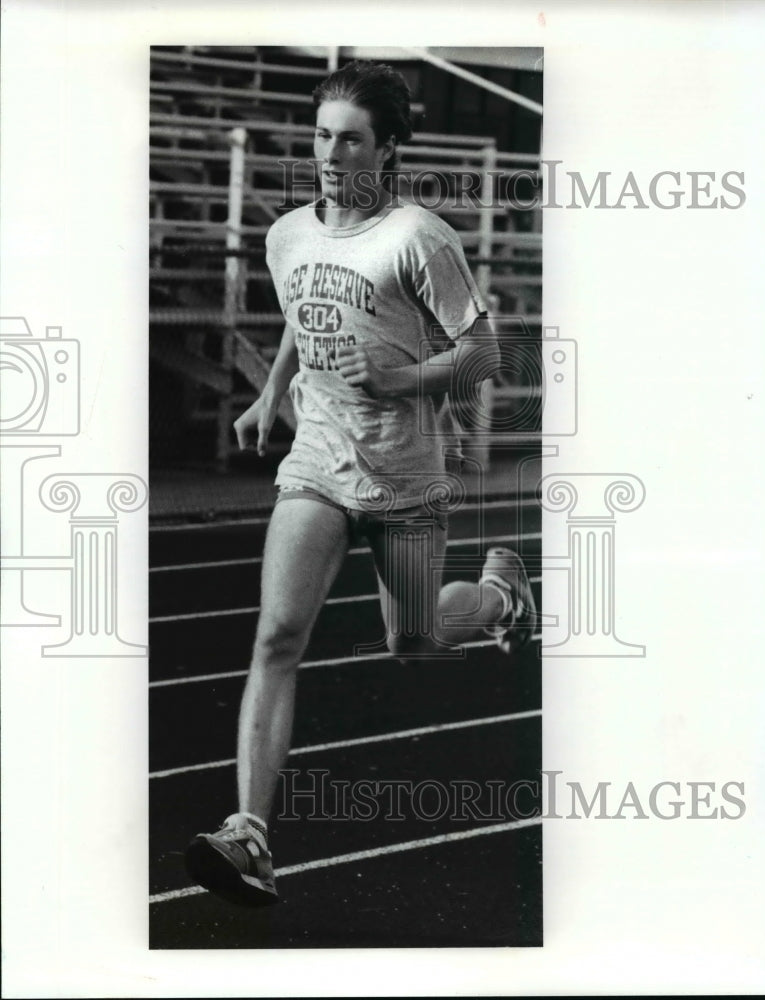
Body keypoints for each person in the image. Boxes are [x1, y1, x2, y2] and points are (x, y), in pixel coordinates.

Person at [184, 60, 536, 906]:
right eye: (321, 136)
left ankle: (498, 597)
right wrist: (272, 394)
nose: (332, 154)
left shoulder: (419, 237)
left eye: (351, 139)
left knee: (410, 641)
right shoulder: (286, 235)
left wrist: (401, 382)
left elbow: (484, 353)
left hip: (407, 469)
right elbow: (305, 319)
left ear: (386, 151)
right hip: (319, 459)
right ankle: (250, 835)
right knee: (276, 636)